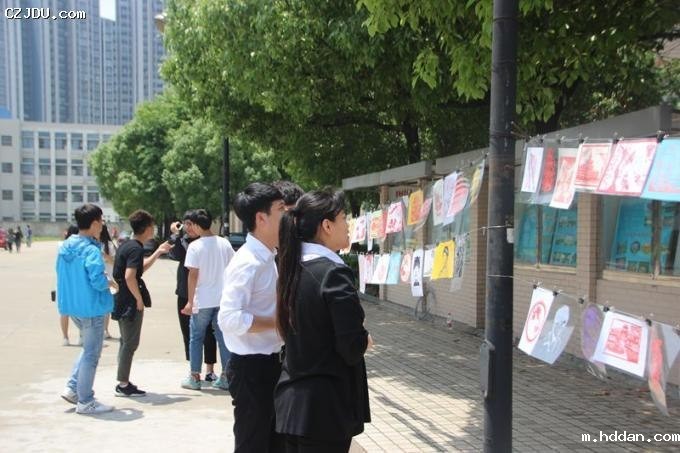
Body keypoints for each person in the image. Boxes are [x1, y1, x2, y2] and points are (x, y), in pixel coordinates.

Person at [274, 189, 371, 452]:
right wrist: (364, 340)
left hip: (292, 404)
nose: (348, 226)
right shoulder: (333, 273)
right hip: (324, 410)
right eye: (344, 218)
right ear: (326, 226)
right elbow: (351, 346)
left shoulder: (292, 266)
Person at [218, 182, 285, 453]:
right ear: (261, 218)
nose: (287, 216)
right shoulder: (248, 262)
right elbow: (229, 318)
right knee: (253, 445)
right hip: (251, 370)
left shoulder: (268, 257)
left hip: (270, 364)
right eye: (281, 209)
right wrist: (278, 324)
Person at [56, 204, 118, 414]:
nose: (102, 225)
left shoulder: (65, 246)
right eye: (101, 221)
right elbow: (97, 281)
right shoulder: (91, 250)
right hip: (91, 307)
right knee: (92, 354)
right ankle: (85, 400)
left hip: (72, 306)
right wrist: (110, 282)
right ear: (94, 223)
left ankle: (73, 388)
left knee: (87, 350)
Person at [111, 209, 170, 397]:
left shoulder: (128, 246)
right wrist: (138, 299)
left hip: (120, 298)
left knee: (125, 341)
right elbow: (130, 276)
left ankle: (122, 380)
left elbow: (138, 269)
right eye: (152, 226)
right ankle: (123, 384)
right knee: (130, 343)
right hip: (129, 300)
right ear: (146, 228)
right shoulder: (136, 248)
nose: (153, 229)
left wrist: (158, 252)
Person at [180, 209, 234, 391]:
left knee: (196, 337)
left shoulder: (195, 246)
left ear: (196, 225)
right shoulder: (224, 243)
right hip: (222, 298)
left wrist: (189, 301)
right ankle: (226, 376)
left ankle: (195, 377)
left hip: (202, 299)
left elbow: (193, 275)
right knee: (223, 338)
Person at [168, 211, 219, 383]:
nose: (188, 228)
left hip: (203, 295)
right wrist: (176, 235)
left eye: (191, 224)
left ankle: (210, 369)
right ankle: (193, 370)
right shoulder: (183, 241)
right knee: (189, 333)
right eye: (186, 224)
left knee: (209, 334)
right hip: (185, 292)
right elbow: (175, 255)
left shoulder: (206, 243)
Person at [59, 225, 81, 346]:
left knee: (64, 310)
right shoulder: (82, 246)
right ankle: (82, 335)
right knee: (80, 309)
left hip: (64, 281)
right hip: (77, 281)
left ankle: (65, 337)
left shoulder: (62, 246)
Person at [100, 224, 116, 340]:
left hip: (105, 278)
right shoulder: (109, 245)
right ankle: (104, 330)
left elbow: (114, 262)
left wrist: (105, 256)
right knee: (105, 307)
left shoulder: (108, 245)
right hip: (107, 278)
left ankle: (104, 329)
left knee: (103, 306)